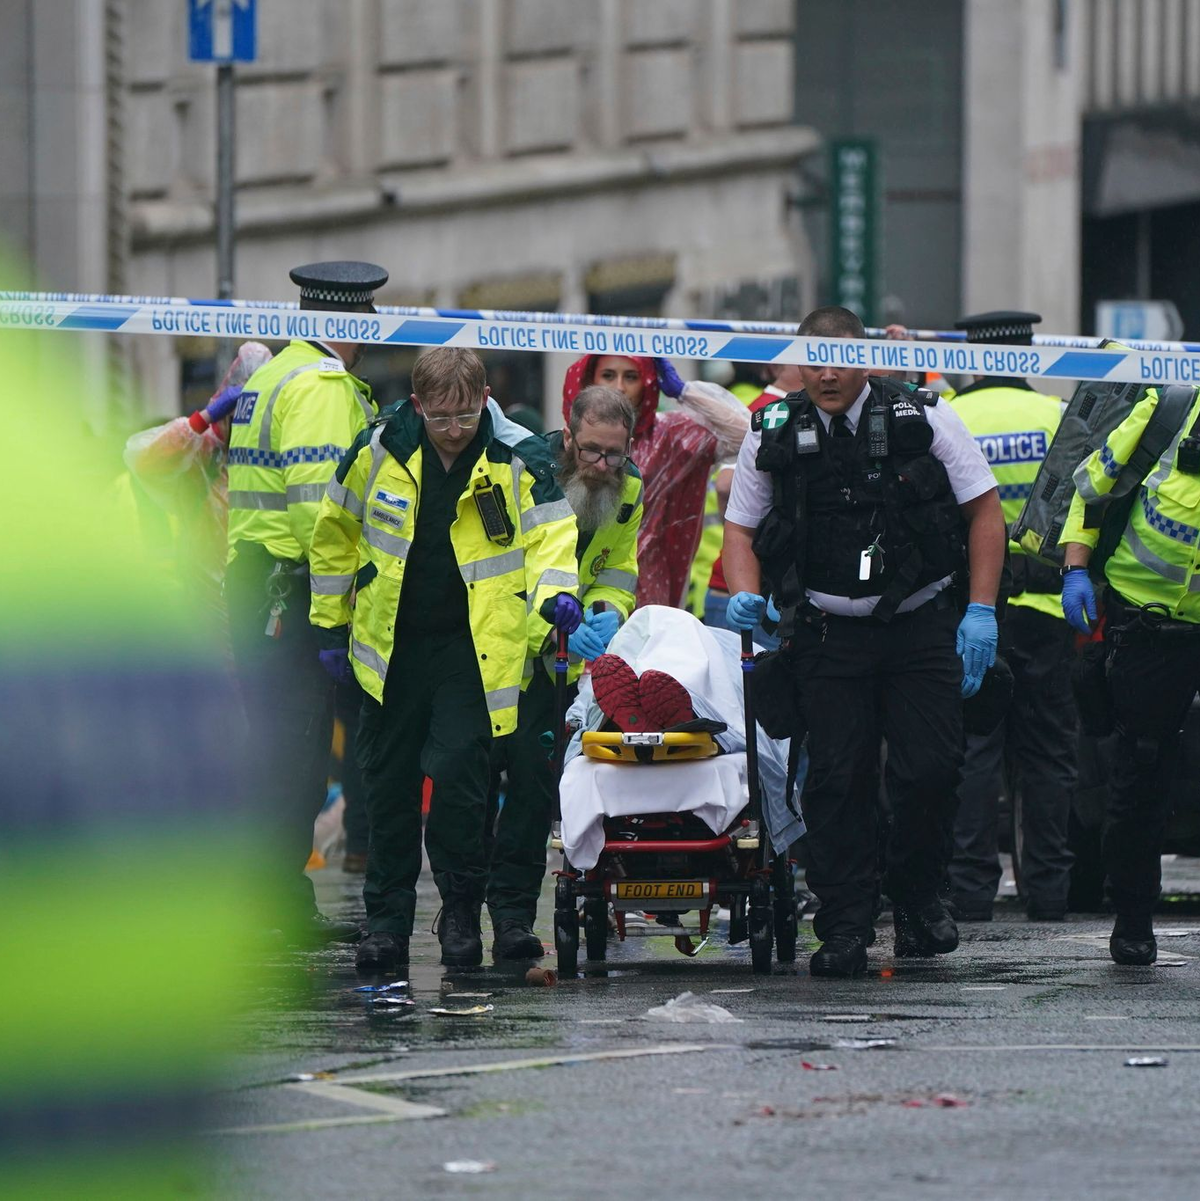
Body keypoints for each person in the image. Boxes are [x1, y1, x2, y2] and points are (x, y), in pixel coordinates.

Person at [722, 305, 1006, 978]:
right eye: (813, 360)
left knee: (931, 769)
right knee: (837, 778)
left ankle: (918, 898)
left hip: (918, 623)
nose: (825, 374)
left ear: (865, 357)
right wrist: (746, 594)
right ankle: (845, 923)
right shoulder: (774, 429)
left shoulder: (923, 417)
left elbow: (984, 510)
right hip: (826, 632)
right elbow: (740, 527)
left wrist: (982, 611)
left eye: (839, 360)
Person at [308, 347, 583, 972]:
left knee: (461, 781)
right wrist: (329, 623)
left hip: (471, 651)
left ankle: (460, 912)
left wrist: (556, 594)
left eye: (466, 414)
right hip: (391, 649)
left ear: (484, 395)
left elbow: (550, 536)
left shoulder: (517, 457)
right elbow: (335, 531)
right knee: (388, 789)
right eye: (441, 418)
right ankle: (385, 925)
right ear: (417, 404)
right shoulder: (378, 448)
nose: (455, 430)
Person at [225, 261, 385, 944]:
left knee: (274, 746)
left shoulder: (270, 375)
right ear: (354, 321)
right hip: (294, 592)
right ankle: (274, 907)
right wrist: (337, 615)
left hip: (260, 585)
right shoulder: (320, 387)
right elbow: (322, 517)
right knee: (296, 749)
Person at [485, 384, 643, 958]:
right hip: (501, 650)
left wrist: (606, 610)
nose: (602, 467)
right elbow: (500, 577)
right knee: (474, 788)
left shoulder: (630, 488)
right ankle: (461, 910)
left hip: (560, 660)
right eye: (591, 451)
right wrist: (550, 622)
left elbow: (617, 566)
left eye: (615, 455)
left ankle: (512, 921)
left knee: (532, 792)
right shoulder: (526, 471)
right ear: (568, 434)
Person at [1059, 385, 1200, 965]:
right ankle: (1134, 918)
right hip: (1150, 624)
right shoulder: (1168, 412)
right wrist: (1075, 568)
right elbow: (1091, 489)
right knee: (1141, 772)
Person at [946, 311, 1076, 923]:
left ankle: (971, 893)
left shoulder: (951, 417)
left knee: (974, 751)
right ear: (1027, 356)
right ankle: (1048, 892)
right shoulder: (1056, 418)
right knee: (1048, 755)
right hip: (1051, 608)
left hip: (974, 608)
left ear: (974, 355)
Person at [561, 354, 748, 609]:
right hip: (573, 584)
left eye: (631, 377)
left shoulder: (669, 435)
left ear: (648, 382)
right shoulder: (570, 438)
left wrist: (684, 391)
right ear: (589, 379)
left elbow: (748, 438)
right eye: (608, 375)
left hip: (646, 584)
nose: (618, 387)